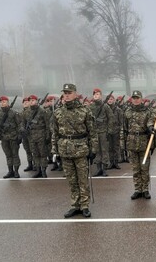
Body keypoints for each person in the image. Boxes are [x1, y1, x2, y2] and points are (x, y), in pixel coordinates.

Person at [51, 83, 98, 218]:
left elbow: (92, 132)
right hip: (64, 150)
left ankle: (84, 205)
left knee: (82, 179)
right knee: (71, 179)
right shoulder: (58, 112)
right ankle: (74, 205)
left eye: (69, 92)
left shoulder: (85, 110)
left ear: (75, 94)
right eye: (65, 93)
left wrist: (93, 149)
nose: (66, 95)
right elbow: (55, 133)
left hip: (81, 149)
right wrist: (55, 151)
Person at [124, 90, 155, 200]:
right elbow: (124, 129)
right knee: (135, 169)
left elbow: (151, 122)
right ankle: (138, 189)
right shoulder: (127, 111)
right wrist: (123, 144)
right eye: (134, 98)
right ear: (132, 99)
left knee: (144, 168)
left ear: (141, 99)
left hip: (143, 142)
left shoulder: (147, 111)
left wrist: (150, 127)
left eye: (138, 98)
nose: (136, 100)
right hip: (131, 142)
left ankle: (145, 189)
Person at [0, 96, 21, 178]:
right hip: (3, 138)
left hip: (13, 137)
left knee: (15, 155)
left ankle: (16, 172)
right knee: (8, 155)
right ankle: (10, 171)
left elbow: (20, 125)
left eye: (4, 101)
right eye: (1, 102)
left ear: (7, 102)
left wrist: (19, 136)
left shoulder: (14, 113)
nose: (2, 103)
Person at [20, 95, 50, 178]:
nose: (31, 102)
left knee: (43, 153)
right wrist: (23, 129)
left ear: (36, 101)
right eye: (30, 101)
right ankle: (38, 170)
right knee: (35, 154)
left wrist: (48, 136)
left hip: (41, 134)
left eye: (33, 100)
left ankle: (44, 170)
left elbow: (47, 125)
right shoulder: (26, 112)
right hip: (31, 136)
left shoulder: (42, 111)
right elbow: (22, 123)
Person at [89, 88, 114, 177]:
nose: (96, 96)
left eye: (98, 94)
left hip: (103, 131)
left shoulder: (105, 106)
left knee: (104, 150)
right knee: (96, 150)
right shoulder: (91, 107)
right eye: (95, 94)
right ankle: (98, 168)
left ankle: (104, 169)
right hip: (94, 132)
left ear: (101, 96)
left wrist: (109, 130)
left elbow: (111, 118)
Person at [106, 94, 123, 170]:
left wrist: (119, 129)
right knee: (109, 147)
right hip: (108, 131)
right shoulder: (105, 109)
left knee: (116, 147)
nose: (110, 100)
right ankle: (111, 162)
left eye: (111, 99)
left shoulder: (118, 110)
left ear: (114, 100)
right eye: (109, 99)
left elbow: (121, 121)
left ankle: (116, 162)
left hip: (116, 131)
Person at [20, 97, 34, 172]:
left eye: (27, 102)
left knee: (33, 150)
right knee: (27, 150)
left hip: (31, 134)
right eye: (24, 102)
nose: (25, 103)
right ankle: (30, 164)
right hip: (24, 135)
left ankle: (36, 165)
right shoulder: (20, 113)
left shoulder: (32, 112)